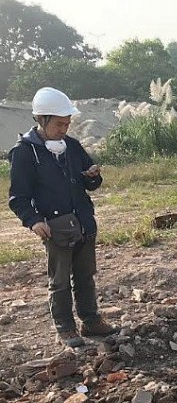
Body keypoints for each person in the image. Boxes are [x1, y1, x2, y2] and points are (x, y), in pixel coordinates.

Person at [8, 87, 115, 347]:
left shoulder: (73, 147)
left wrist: (93, 177)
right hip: (55, 228)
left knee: (85, 275)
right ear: (41, 119)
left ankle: (90, 321)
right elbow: (18, 197)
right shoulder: (25, 153)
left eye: (67, 124)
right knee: (60, 281)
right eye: (59, 124)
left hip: (83, 222)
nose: (64, 129)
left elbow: (91, 183)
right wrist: (33, 221)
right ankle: (65, 327)